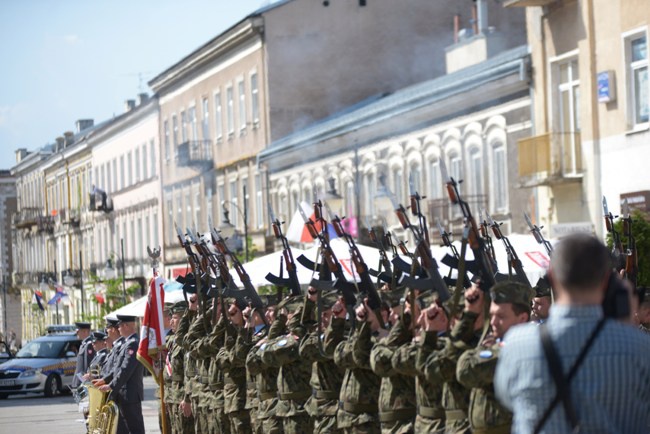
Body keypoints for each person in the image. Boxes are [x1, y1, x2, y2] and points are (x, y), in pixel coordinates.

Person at [494, 233, 650, 433]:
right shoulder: (640, 347)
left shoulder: (516, 345)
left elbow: (507, 398)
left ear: (551, 277)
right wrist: (628, 324)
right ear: (606, 281)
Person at [456, 281, 534, 434]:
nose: (493, 322)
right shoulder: (498, 343)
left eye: (501, 316)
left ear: (523, 318)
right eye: (491, 315)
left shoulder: (519, 348)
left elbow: (465, 371)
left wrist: (486, 349)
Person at [99, 314, 145, 434]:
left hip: (130, 395)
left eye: (120, 326)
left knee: (135, 429)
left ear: (126, 326)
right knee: (123, 430)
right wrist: (104, 380)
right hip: (124, 394)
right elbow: (117, 369)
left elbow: (125, 370)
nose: (118, 329)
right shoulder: (127, 343)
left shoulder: (133, 343)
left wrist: (111, 385)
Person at [72, 321, 95, 388]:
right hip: (80, 381)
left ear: (85, 331)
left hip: (84, 382)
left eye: (78, 331)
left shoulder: (89, 345)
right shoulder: (84, 344)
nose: (76, 333)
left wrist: (85, 382)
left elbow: (88, 365)